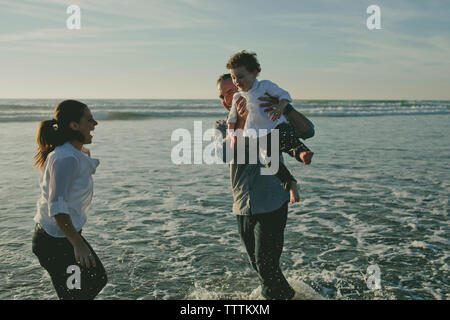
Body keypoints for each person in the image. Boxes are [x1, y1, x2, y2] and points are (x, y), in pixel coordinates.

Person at [215, 74, 315, 300]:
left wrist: (284, 108)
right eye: (221, 96)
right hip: (242, 205)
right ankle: (291, 296)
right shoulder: (223, 126)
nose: (225, 99)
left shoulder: (269, 118)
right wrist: (240, 121)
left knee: (266, 266)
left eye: (230, 92)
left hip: (272, 201)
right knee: (262, 268)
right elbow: (225, 154)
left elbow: (308, 131)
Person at [32, 100, 107, 300]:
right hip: (55, 241)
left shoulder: (74, 153)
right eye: (89, 119)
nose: (94, 124)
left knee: (95, 280)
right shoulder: (65, 158)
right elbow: (56, 207)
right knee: (77, 293)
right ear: (74, 125)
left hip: (64, 236)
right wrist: (78, 244)